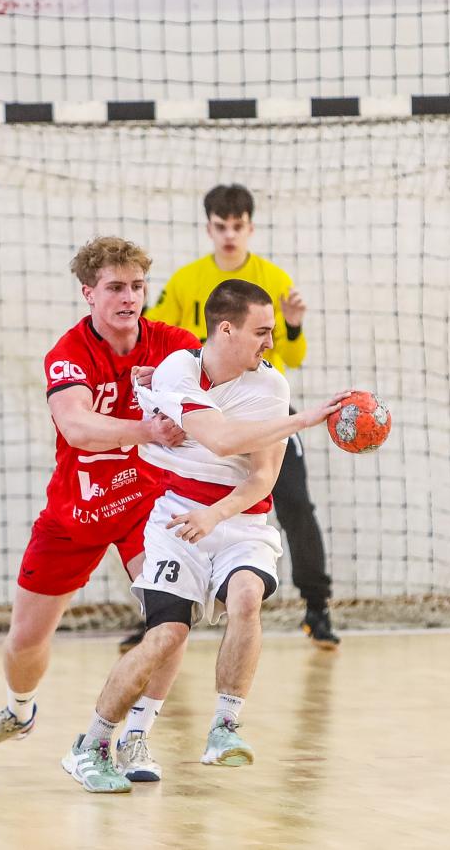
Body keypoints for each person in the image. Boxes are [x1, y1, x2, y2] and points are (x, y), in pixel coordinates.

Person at [61, 279, 347, 793]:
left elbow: (263, 476)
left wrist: (218, 515)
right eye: (262, 331)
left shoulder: (272, 387)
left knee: (247, 597)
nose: (271, 341)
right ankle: (93, 743)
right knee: (167, 635)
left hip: (240, 520)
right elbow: (219, 439)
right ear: (226, 330)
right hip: (177, 517)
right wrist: (303, 420)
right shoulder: (179, 369)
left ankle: (225, 728)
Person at [0, 236, 200, 782]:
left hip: (148, 505)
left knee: (172, 619)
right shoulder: (68, 353)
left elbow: (214, 389)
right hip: (77, 510)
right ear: (89, 293)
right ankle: (18, 712)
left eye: (137, 286)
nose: (128, 298)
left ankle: (136, 735)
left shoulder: (174, 346)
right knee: (25, 639)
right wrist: (147, 428)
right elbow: (76, 427)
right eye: (115, 287)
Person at [143, 183, 339, 649]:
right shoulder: (188, 280)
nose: (229, 235)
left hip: (266, 412)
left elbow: (294, 355)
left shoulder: (272, 278)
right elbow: (160, 333)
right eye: (221, 226)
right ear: (208, 228)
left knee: (295, 502)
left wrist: (293, 326)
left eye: (238, 226)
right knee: (157, 493)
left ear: (250, 228)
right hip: (204, 410)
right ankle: (158, 605)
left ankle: (317, 606)